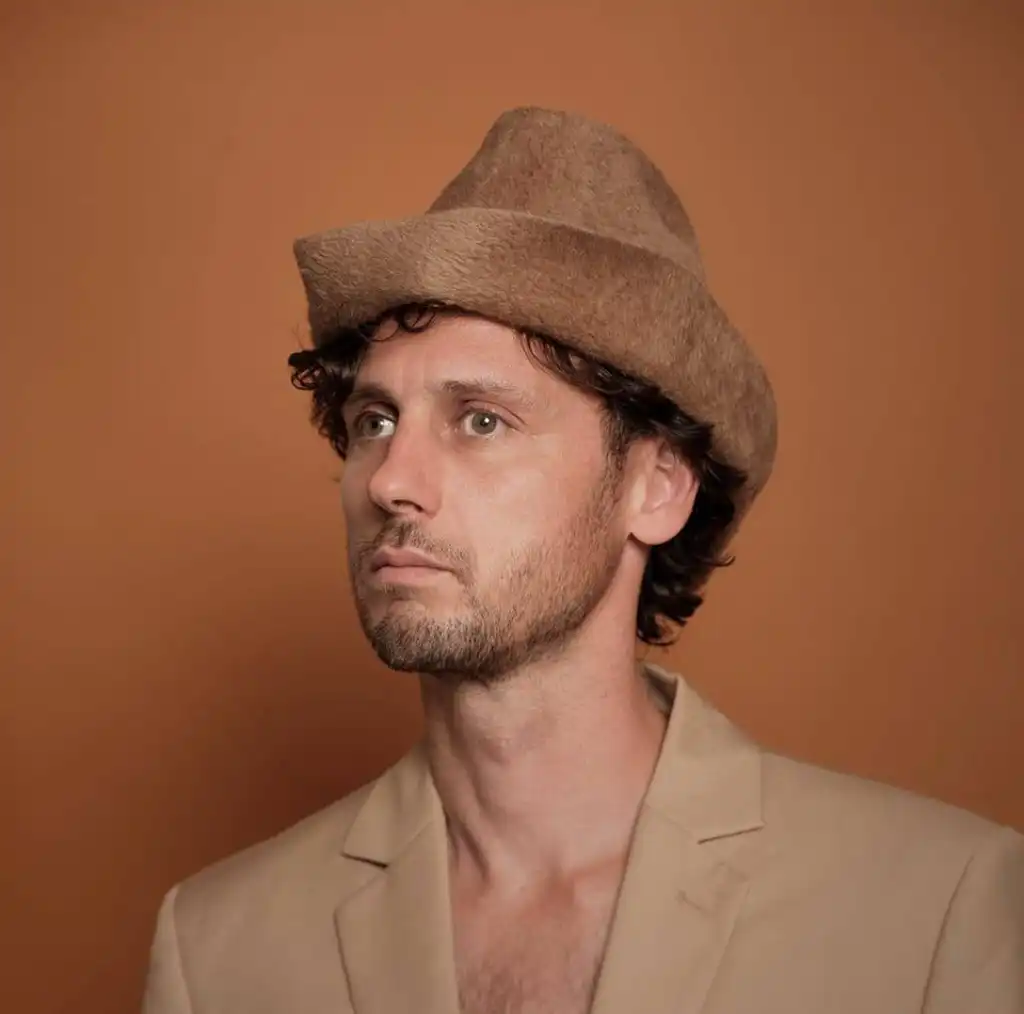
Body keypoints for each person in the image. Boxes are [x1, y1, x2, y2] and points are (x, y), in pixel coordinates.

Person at [141, 107, 1024, 1014]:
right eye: (375, 421)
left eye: (482, 421)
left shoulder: (933, 911)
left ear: (658, 489)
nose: (392, 481)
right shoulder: (215, 949)